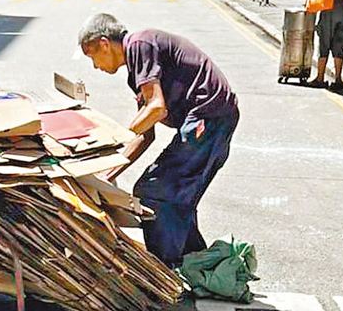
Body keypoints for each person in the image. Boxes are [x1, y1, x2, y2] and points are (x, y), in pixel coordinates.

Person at [78, 13, 239, 267]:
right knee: (179, 197)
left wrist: (111, 139)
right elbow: (146, 134)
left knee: (153, 190)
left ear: (104, 43)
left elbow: (156, 109)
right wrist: (108, 173)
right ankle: (194, 261)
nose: (95, 66)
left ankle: (165, 266)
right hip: (211, 120)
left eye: (92, 57)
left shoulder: (140, 45)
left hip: (208, 119)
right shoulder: (136, 70)